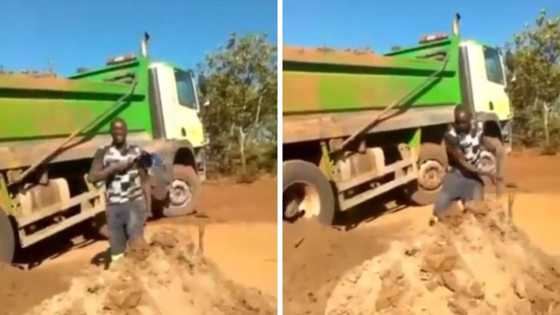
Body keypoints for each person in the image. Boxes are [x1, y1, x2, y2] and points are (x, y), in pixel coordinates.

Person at [88, 118, 151, 262]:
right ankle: (121, 280)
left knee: (136, 248)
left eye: (121, 129)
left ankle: (138, 279)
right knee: (117, 252)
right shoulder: (103, 153)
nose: (118, 132)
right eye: (115, 129)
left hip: (135, 204)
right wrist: (112, 169)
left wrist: (148, 208)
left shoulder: (137, 152)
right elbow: (91, 178)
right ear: (111, 132)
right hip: (114, 207)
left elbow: (145, 180)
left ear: (126, 131)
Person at [431, 106, 504, 223]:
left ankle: (464, 206)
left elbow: (488, 143)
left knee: (478, 212)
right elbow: (462, 161)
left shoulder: (479, 127)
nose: (460, 126)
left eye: (463, 123)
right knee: (438, 212)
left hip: (473, 179)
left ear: (470, 120)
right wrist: (487, 173)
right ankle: (456, 208)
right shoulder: (450, 135)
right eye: (458, 123)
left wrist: (497, 167)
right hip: (456, 175)